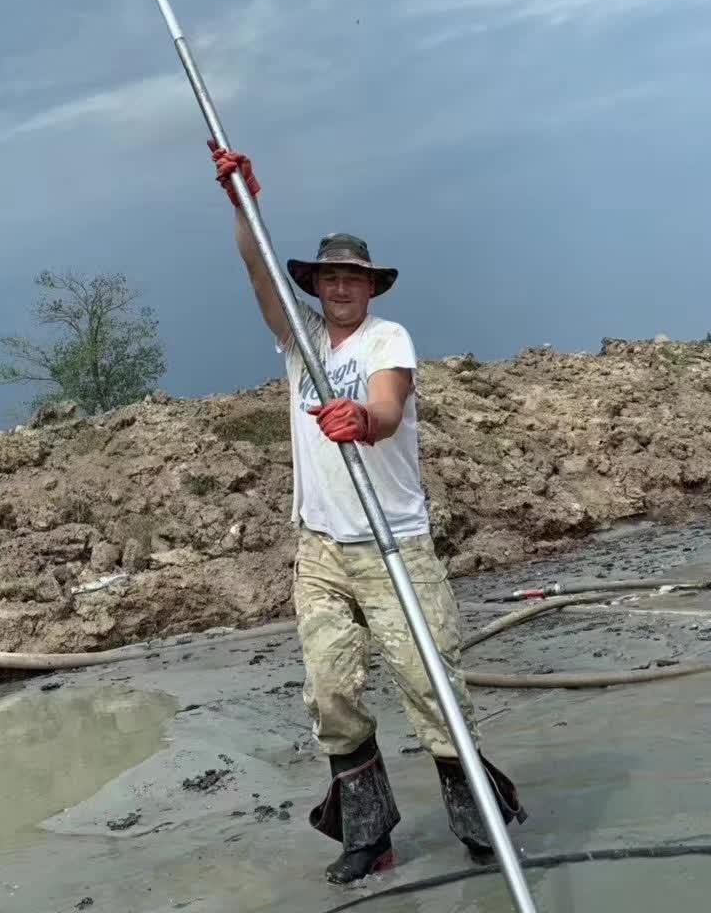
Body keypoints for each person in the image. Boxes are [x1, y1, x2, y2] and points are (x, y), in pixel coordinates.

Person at [208, 143, 527, 886]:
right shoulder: (301, 342)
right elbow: (258, 276)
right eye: (329, 278)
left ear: (370, 286)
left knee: (430, 685)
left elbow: (387, 403)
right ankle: (368, 834)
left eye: (352, 277)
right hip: (320, 548)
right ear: (316, 286)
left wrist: (365, 418)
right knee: (333, 692)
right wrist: (240, 207)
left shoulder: (389, 339)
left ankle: (481, 823)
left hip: (395, 548)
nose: (341, 288)